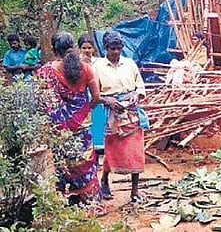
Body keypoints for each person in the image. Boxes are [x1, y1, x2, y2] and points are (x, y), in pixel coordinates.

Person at [37, 31, 104, 209]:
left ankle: (69, 200)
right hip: (83, 124)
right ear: (73, 47)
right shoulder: (86, 68)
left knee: (63, 163)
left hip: (59, 128)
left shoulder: (45, 72)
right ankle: (91, 201)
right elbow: (96, 98)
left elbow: (43, 103)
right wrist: (84, 111)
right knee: (85, 161)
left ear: (53, 48)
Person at [93, 31, 149, 203]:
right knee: (112, 151)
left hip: (131, 113)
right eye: (112, 49)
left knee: (135, 151)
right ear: (106, 49)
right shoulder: (98, 67)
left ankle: (135, 190)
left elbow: (140, 87)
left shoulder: (130, 64)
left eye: (119, 49)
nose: (116, 52)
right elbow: (94, 94)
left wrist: (136, 95)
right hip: (111, 113)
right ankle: (104, 180)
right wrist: (106, 99)